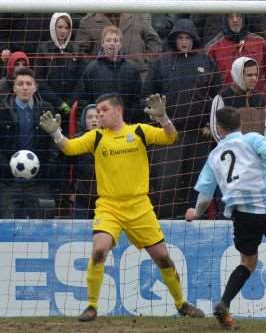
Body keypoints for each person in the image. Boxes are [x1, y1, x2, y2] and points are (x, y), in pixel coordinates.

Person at [39, 93, 205, 321]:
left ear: (118, 111)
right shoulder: (95, 137)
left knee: (163, 258)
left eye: (104, 110)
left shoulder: (138, 131)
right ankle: (91, 306)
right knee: (99, 250)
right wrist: (56, 133)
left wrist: (164, 118)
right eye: (97, 112)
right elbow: (69, 148)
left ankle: (181, 303)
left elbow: (171, 138)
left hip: (140, 207)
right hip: (109, 206)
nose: (99, 115)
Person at [185, 107, 266, 329]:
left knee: (248, 262)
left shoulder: (214, 155)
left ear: (219, 128)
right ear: (240, 124)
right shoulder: (251, 139)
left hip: (241, 215)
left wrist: (195, 212)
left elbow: (205, 196)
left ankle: (224, 303)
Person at [143, 18, 221, 218]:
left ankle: (195, 219)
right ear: (174, 40)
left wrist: (209, 124)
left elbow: (217, 96)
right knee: (166, 181)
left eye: (188, 38)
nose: (184, 42)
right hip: (169, 133)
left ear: (194, 39)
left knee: (197, 181)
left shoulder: (206, 61)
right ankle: (165, 220)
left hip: (198, 134)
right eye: (180, 38)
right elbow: (148, 94)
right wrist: (159, 121)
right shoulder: (162, 62)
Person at [0, 67, 59, 218]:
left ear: (35, 87)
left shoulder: (46, 109)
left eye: (28, 83)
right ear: (14, 87)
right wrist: (6, 168)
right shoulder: (3, 110)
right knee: (7, 223)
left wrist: (48, 169)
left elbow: (54, 143)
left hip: (39, 181)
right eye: (20, 84)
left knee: (44, 222)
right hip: (9, 181)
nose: (24, 87)